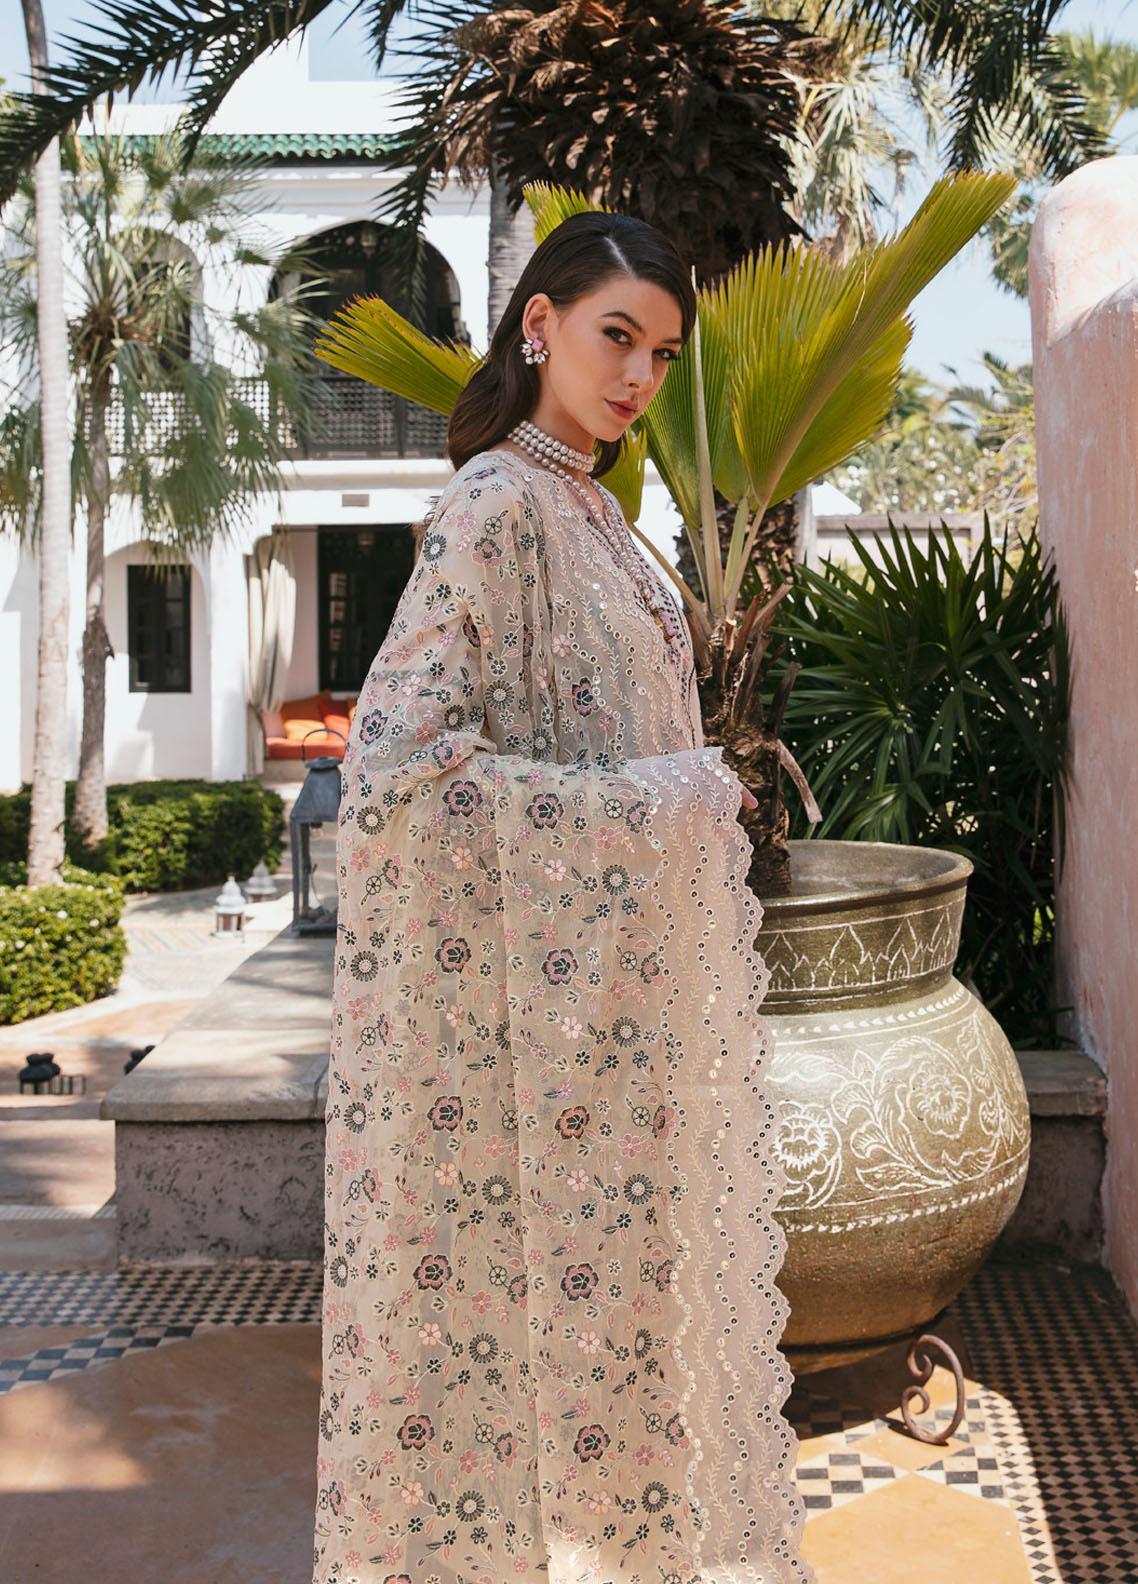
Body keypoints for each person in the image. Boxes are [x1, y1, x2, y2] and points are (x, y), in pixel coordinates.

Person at [313, 210, 814, 1584]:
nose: (641, 375)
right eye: (617, 336)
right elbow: (400, 767)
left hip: (609, 1040)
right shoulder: (495, 506)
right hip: (525, 1057)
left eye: (663, 353)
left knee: (621, 1373)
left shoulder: (594, 510)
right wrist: (659, 801)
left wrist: (676, 800)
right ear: (538, 323)